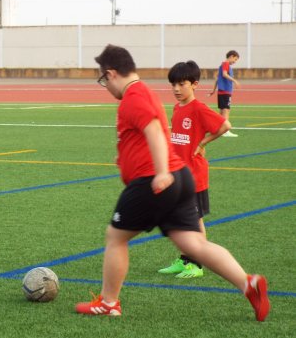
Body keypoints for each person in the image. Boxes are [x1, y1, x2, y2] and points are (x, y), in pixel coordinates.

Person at [75, 44, 269, 321]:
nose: (105, 86)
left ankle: (109, 303)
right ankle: (247, 284)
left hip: (153, 179)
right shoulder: (144, 93)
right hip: (181, 177)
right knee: (194, 245)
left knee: (115, 237)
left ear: (112, 73)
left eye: (103, 80)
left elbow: (153, 128)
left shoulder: (133, 96)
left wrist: (161, 172)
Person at [158, 60, 230, 278]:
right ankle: (184, 258)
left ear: (195, 84)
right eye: (173, 85)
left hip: (195, 175)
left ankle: (197, 264)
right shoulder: (177, 108)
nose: (177, 89)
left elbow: (224, 126)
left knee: (195, 219)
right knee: (180, 219)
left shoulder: (199, 108)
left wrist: (202, 143)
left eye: (182, 84)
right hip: (178, 173)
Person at [209, 50, 240, 137]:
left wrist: (213, 90)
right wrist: (235, 80)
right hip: (225, 91)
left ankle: (217, 128)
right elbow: (224, 74)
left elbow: (217, 79)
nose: (235, 61)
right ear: (231, 56)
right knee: (226, 110)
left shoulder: (222, 65)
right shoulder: (226, 64)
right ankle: (225, 130)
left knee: (223, 111)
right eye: (235, 59)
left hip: (222, 92)